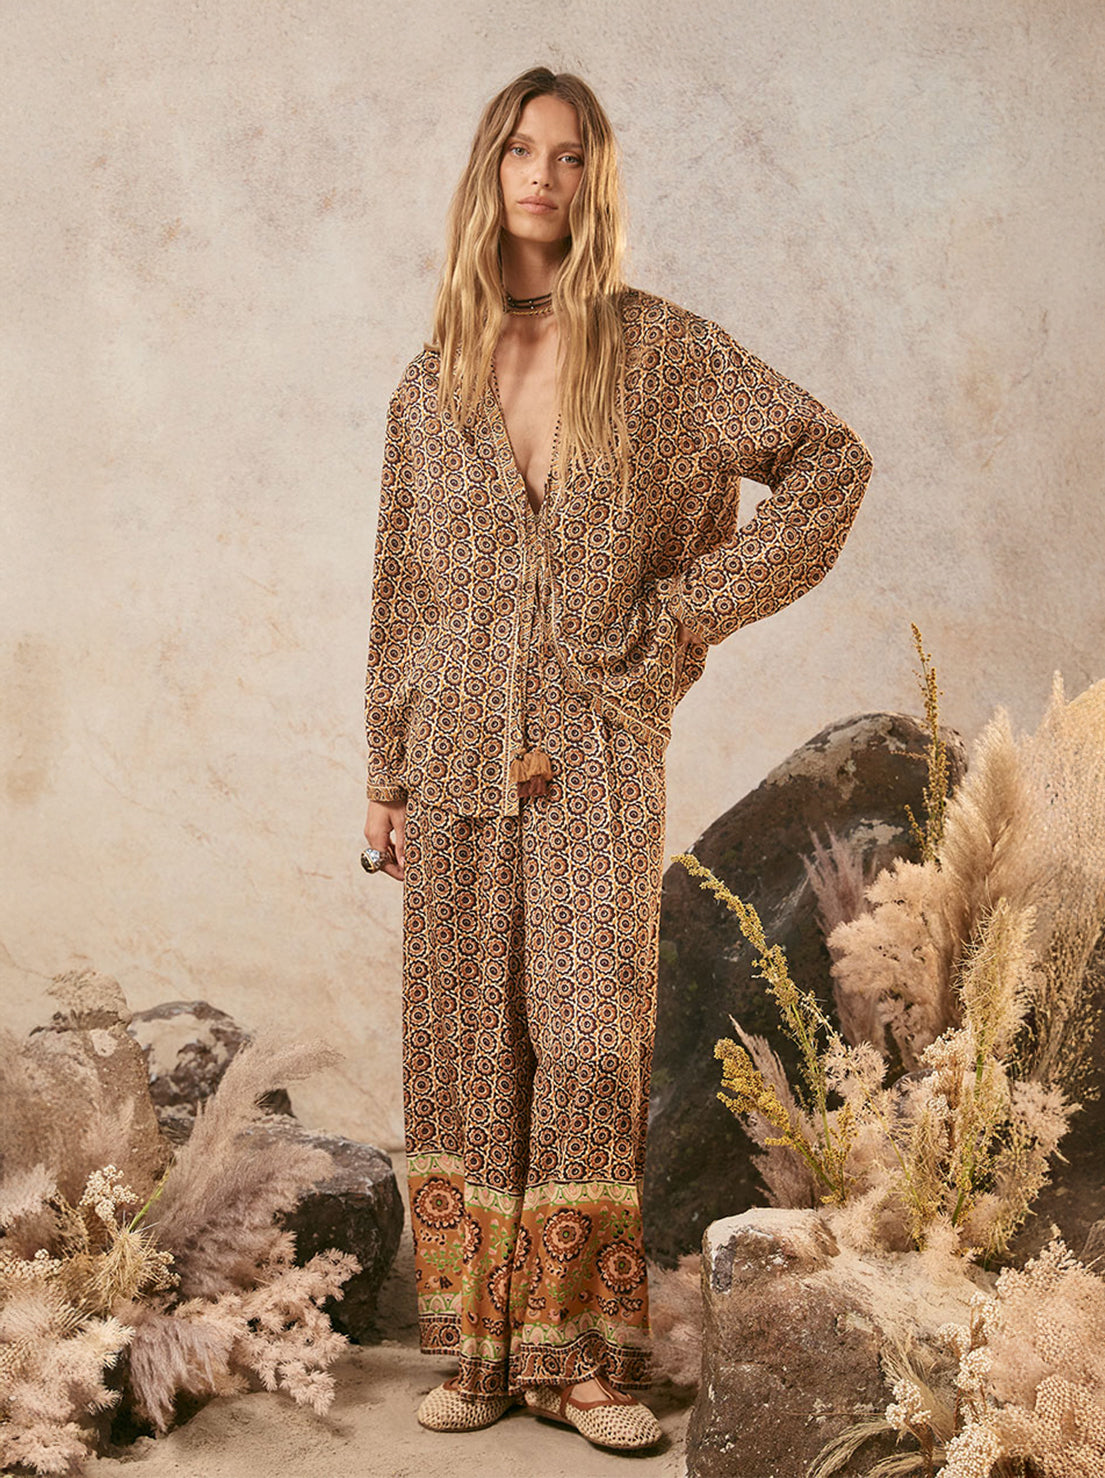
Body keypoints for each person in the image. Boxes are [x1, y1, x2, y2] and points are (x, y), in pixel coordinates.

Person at [361, 66, 872, 1452]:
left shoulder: (658, 352)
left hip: (596, 745)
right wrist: (383, 772)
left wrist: (687, 611)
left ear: (595, 180)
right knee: (468, 1046)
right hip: (451, 755)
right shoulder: (431, 380)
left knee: (589, 1042)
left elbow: (827, 461)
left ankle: (584, 1362)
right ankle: (479, 1356)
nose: (544, 174)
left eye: (570, 154)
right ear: (489, 171)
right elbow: (404, 585)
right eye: (521, 151)